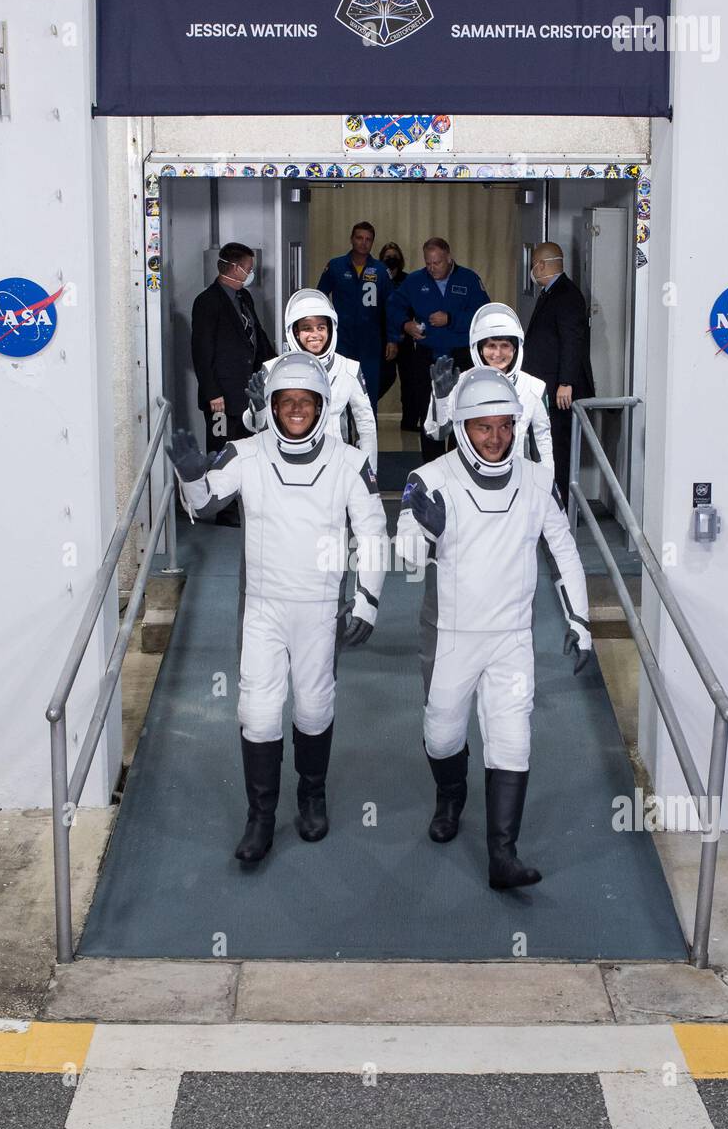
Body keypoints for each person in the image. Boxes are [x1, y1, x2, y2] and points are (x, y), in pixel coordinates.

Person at [167, 352, 388, 866]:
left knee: (313, 708)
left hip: (319, 608)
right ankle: (260, 816)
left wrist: (368, 599)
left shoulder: (349, 462)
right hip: (263, 609)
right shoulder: (245, 453)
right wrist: (191, 476)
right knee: (257, 712)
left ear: (320, 406)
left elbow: (374, 531)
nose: (294, 410)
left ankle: (312, 796)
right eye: (285, 402)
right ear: (272, 405)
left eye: (304, 402)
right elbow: (202, 505)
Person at [395, 366, 591, 891]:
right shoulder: (430, 479)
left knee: (512, 739)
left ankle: (502, 854)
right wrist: (427, 534)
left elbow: (564, 550)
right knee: (442, 735)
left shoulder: (534, 478)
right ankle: (450, 794)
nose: (497, 438)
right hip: (451, 635)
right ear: (462, 426)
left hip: (512, 636)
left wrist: (580, 619)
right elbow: (405, 554)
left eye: (506, 426)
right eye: (485, 427)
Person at [242, 288, 377, 469]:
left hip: (336, 463)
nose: (315, 334)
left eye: (321, 327)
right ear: (295, 332)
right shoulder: (273, 369)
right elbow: (254, 427)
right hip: (286, 464)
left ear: (330, 329)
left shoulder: (349, 369)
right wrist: (258, 409)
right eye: (307, 328)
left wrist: (369, 473)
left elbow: (366, 425)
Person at [190, 242, 275, 525]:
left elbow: (257, 336)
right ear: (234, 267)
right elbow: (202, 351)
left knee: (246, 448)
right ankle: (222, 510)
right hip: (221, 396)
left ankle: (244, 503)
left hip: (246, 391)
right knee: (222, 449)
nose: (251, 272)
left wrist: (274, 366)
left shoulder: (244, 298)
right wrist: (213, 392)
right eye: (248, 268)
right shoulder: (207, 301)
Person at [385, 238, 489, 462]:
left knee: (460, 415)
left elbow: (483, 315)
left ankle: (458, 466)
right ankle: (433, 470)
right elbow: (393, 306)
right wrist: (406, 325)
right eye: (428, 263)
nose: (432, 269)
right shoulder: (415, 281)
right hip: (427, 357)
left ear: (449, 258)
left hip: (461, 356)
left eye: (437, 263)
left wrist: (451, 319)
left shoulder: (469, 279)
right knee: (429, 416)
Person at [424, 302, 553, 466]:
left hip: (518, 476)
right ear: (479, 349)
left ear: (515, 349)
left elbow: (542, 443)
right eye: (491, 346)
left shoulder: (534, 387)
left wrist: (548, 484)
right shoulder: (458, 383)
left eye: (505, 346)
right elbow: (436, 434)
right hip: (468, 476)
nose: (498, 354)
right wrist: (441, 398)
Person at [522, 242, 596, 505]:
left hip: (559, 391)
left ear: (541, 265)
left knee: (558, 451)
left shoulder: (566, 295)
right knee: (547, 449)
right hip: (547, 388)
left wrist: (566, 382)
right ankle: (550, 503)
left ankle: (560, 507)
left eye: (533, 264)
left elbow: (571, 341)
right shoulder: (550, 293)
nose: (532, 270)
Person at [317, 221, 392, 409]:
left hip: (370, 341)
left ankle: (367, 438)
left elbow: (391, 307)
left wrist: (393, 339)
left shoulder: (381, 271)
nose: (363, 243)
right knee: (339, 395)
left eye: (368, 239)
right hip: (342, 339)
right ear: (352, 239)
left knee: (368, 396)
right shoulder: (335, 266)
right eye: (359, 238)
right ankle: (342, 438)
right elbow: (320, 298)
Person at [377, 242, 417, 427]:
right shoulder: (377, 279)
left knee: (410, 381)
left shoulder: (408, 280)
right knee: (386, 376)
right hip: (383, 337)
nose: (391, 260)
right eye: (387, 257)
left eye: (394, 256)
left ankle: (409, 422)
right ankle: (366, 410)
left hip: (405, 336)